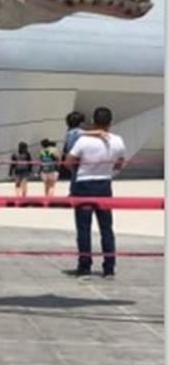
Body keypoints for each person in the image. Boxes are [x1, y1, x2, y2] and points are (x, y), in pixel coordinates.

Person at [63, 106, 126, 279]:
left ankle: (84, 266)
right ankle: (109, 268)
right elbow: (119, 164)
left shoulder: (83, 141)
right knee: (106, 228)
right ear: (111, 122)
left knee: (84, 228)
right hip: (105, 184)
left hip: (83, 184)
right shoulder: (118, 141)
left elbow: (68, 163)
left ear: (93, 121)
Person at [60, 110, 86, 183]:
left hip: (71, 160)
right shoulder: (78, 132)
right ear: (80, 123)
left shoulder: (69, 132)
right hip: (79, 160)